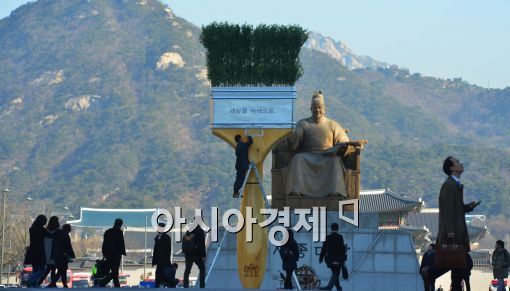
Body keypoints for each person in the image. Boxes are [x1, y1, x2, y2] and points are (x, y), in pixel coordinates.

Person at [285, 91, 353, 198]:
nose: (317, 110)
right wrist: (290, 136)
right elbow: (295, 144)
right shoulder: (303, 123)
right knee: (298, 158)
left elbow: (343, 140)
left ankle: (334, 191)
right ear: (311, 109)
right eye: (315, 107)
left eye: (320, 107)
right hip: (308, 155)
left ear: (324, 109)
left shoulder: (332, 124)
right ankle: (296, 190)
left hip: (327, 155)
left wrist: (338, 147)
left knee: (335, 161)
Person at [436, 156, 479, 291]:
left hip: (456, 233)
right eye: (457, 162)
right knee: (458, 270)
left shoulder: (454, 184)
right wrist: (450, 232)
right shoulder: (449, 185)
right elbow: (448, 210)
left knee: (458, 271)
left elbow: (455, 208)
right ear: (452, 168)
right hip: (453, 235)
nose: (461, 163)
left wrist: (467, 207)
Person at [25, 215, 52, 287]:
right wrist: (48, 228)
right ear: (43, 222)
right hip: (39, 251)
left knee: (35, 269)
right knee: (42, 269)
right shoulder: (42, 229)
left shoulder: (31, 229)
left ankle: (34, 284)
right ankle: (30, 280)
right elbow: (50, 235)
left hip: (32, 251)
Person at [319, 223, 346, 291]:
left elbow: (323, 248)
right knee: (336, 273)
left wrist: (321, 258)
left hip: (330, 259)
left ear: (331, 228)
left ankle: (338, 287)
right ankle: (329, 287)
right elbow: (342, 249)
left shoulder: (328, 237)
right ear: (338, 229)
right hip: (338, 259)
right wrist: (344, 258)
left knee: (335, 273)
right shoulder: (340, 237)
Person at [101, 218, 126, 287]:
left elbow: (104, 244)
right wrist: (120, 253)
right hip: (115, 256)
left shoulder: (107, 232)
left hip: (108, 255)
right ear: (120, 225)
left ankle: (117, 285)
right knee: (115, 271)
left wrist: (104, 253)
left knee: (114, 272)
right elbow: (121, 244)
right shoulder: (119, 232)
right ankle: (103, 282)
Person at [49, 224, 75, 288]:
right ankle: (53, 283)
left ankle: (64, 284)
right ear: (68, 229)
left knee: (62, 270)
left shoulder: (57, 233)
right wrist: (72, 255)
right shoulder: (65, 235)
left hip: (56, 255)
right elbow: (68, 246)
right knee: (62, 270)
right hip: (63, 256)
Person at [37, 216, 60, 287]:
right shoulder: (57, 232)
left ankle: (52, 283)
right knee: (51, 269)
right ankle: (40, 283)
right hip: (53, 253)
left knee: (50, 268)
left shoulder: (46, 231)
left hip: (46, 252)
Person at [152, 222, 172, 287]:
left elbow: (168, 250)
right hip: (158, 260)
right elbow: (155, 250)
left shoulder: (167, 237)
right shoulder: (157, 237)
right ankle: (158, 286)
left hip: (164, 261)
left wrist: (166, 258)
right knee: (158, 275)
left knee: (164, 276)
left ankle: (163, 286)